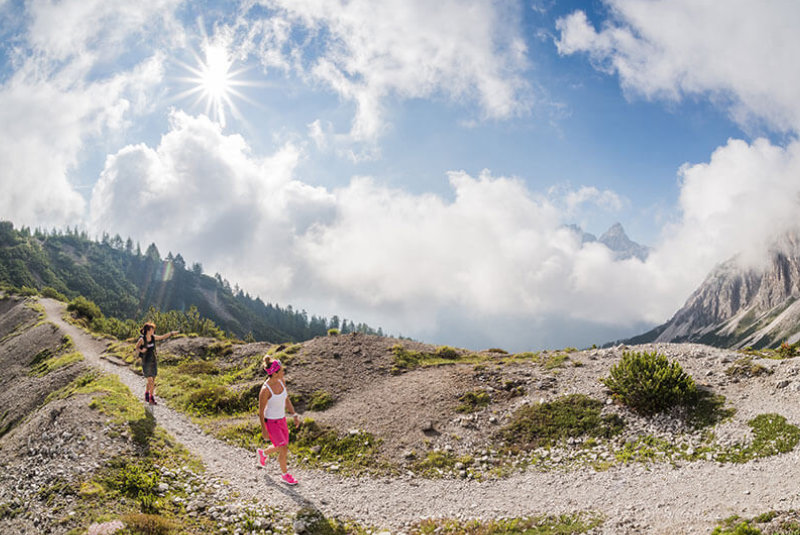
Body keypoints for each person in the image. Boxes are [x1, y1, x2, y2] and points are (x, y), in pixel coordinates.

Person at [257, 356, 301, 485]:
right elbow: (260, 411)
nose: (283, 372)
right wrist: (264, 429)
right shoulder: (265, 390)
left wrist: (294, 415)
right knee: (283, 448)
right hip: (271, 421)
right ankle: (284, 475)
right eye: (281, 370)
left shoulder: (282, 381)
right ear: (274, 373)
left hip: (282, 420)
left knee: (281, 445)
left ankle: (263, 453)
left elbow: (286, 399)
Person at [134, 322, 177, 405]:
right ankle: (151, 398)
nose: (153, 331)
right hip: (145, 362)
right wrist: (141, 350)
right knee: (150, 381)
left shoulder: (153, 337)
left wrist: (171, 333)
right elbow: (136, 347)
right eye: (152, 329)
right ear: (148, 330)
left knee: (152, 380)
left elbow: (163, 337)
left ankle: (146, 393)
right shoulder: (142, 339)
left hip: (153, 361)